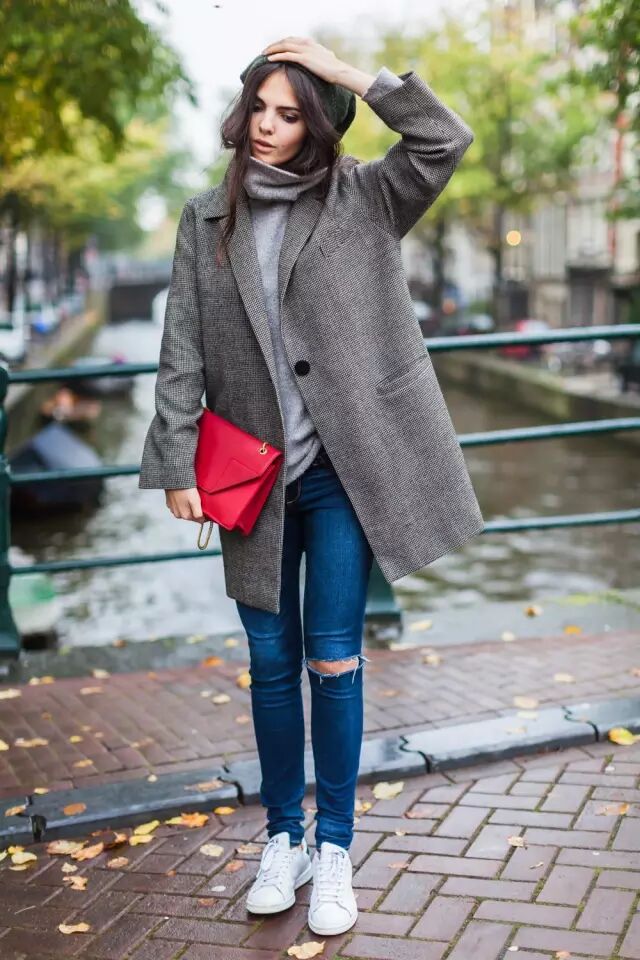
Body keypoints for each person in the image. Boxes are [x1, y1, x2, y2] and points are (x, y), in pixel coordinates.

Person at [138, 35, 484, 937]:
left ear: (319, 122)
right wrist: (175, 458)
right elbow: (181, 350)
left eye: (290, 113)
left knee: (333, 657)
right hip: (252, 477)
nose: (268, 126)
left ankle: (334, 847)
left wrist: (347, 71)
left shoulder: (365, 196)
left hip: (345, 471)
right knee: (268, 661)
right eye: (259, 107)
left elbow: (445, 138)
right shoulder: (205, 219)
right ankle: (282, 838)